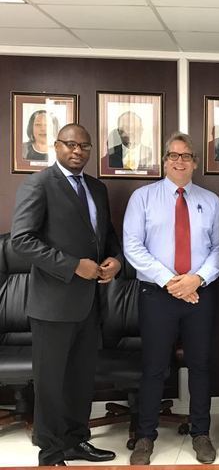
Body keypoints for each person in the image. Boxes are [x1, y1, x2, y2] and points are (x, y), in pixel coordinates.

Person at [11, 123, 121, 466]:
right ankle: (50, 452)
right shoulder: (39, 184)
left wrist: (116, 260)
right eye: (70, 144)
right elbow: (21, 240)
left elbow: (106, 235)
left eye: (84, 146)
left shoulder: (97, 188)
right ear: (56, 146)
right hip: (52, 305)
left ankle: (76, 441)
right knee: (51, 383)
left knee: (79, 380)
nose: (77, 151)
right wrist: (73, 266)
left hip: (90, 304)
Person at [124, 132, 219, 465]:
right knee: (154, 367)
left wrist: (197, 279)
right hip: (156, 294)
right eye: (173, 155)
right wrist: (171, 281)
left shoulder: (211, 201)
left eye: (186, 155)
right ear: (164, 160)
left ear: (195, 162)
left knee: (200, 365)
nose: (179, 161)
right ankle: (145, 436)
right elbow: (133, 247)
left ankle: (200, 433)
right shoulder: (142, 198)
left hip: (200, 293)